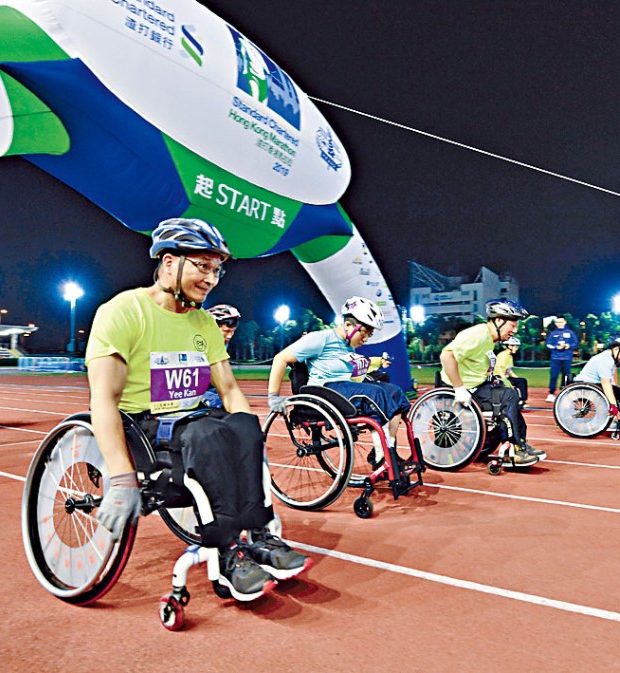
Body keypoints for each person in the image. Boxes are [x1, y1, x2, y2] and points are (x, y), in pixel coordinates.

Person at [86, 217, 310, 603]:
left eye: (217, 270)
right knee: (207, 434)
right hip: (144, 428)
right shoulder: (123, 311)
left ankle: (258, 534)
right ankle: (226, 552)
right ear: (169, 263)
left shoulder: (204, 323)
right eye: (202, 266)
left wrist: (248, 435)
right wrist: (122, 480)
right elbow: (103, 400)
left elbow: (228, 388)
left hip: (192, 421)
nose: (211, 278)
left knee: (242, 427)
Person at [267, 297, 409, 466]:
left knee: (395, 393)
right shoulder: (321, 338)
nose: (366, 338)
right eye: (364, 332)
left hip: (344, 388)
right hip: (325, 390)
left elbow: (354, 372)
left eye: (369, 334)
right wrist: (273, 396)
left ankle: (387, 451)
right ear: (348, 325)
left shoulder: (348, 347)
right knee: (376, 394)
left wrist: (376, 366)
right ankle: (383, 456)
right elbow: (280, 358)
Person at [439, 299, 545, 466]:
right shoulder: (477, 335)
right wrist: (458, 388)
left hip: (477, 385)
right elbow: (446, 356)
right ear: (498, 321)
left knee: (509, 393)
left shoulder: (490, 338)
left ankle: (520, 443)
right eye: (513, 325)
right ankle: (514, 448)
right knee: (508, 396)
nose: (515, 330)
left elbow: (476, 362)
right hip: (462, 389)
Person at [574, 334, 620, 422]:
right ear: (616, 349)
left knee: (616, 391)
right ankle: (609, 418)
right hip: (586, 385)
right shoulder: (605, 360)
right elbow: (605, 383)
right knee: (613, 392)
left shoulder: (610, 358)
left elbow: (611, 380)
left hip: (592, 384)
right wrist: (613, 406)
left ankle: (613, 419)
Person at [202, 304, 241, 409]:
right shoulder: (199, 344)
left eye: (232, 332)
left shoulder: (222, 343)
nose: (229, 336)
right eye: (226, 331)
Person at [545, 316, 578, 401]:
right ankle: (551, 393)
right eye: (557, 322)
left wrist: (569, 346)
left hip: (567, 358)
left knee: (566, 376)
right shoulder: (552, 333)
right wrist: (556, 347)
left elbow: (576, 343)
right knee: (554, 375)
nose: (559, 324)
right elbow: (548, 344)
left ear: (565, 322)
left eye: (561, 322)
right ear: (555, 324)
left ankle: (565, 392)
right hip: (555, 358)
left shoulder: (570, 333)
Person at [494, 336, 529, 405]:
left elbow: (509, 370)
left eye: (517, 347)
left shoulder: (510, 356)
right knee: (520, 381)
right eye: (515, 347)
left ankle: (522, 400)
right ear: (510, 346)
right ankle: (520, 401)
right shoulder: (503, 355)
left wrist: (517, 378)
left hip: (505, 377)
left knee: (522, 381)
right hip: (499, 378)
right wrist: (506, 382)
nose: (517, 349)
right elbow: (499, 369)